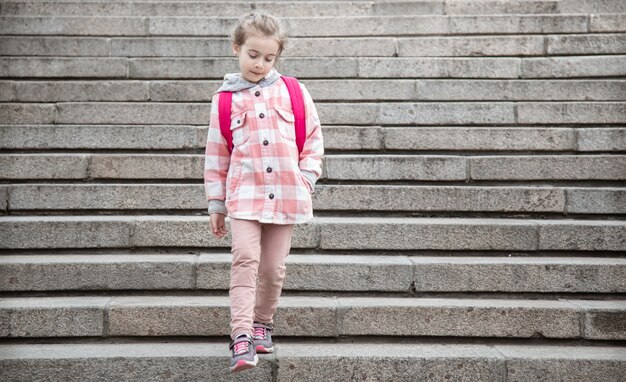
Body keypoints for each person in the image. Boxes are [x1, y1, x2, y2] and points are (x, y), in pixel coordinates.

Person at [203, 12, 324, 373]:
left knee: (273, 268)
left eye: (268, 58)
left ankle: (261, 324)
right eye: (253, 54)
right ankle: (240, 337)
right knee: (244, 260)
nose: (259, 63)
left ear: (277, 57)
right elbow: (217, 153)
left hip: (287, 193)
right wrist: (216, 202)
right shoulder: (224, 101)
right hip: (244, 196)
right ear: (236, 48)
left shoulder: (293, 90)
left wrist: (306, 178)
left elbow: (314, 139)